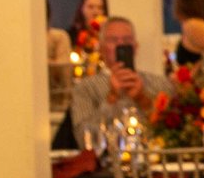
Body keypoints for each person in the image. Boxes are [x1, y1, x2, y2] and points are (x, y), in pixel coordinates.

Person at [65, 16, 160, 145]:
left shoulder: (158, 83)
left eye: (127, 40)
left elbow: (172, 131)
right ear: (102, 48)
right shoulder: (85, 88)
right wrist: (112, 98)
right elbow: (84, 138)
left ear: (136, 46)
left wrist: (142, 99)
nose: (121, 44)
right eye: (113, 40)